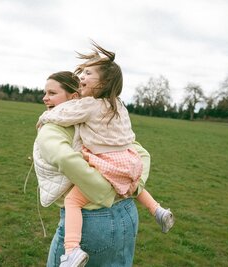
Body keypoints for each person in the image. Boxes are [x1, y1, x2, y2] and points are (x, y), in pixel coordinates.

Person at [38, 42, 174, 266]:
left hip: (93, 218)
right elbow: (139, 150)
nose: (45, 99)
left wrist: (44, 118)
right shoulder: (118, 106)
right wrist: (134, 179)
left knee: (73, 200)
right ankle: (157, 210)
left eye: (52, 93)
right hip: (128, 211)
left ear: (73, 97)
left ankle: (72, 250)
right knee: (131, 182)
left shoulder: (84, 109)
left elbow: (64, 155)